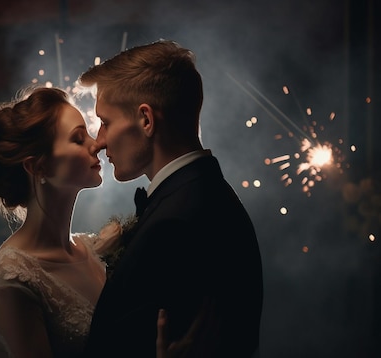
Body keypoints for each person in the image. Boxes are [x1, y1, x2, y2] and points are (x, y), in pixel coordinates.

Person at [76, 39, 264, 357]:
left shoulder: (177, 221)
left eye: (105, 123)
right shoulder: (203, 194)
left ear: (146, 120)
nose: (99, 141)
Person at [0, 86, 107, 358]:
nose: (97, 144)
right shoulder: (14, 278)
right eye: (79, 139)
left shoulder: (92, 248)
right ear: (38, 167)